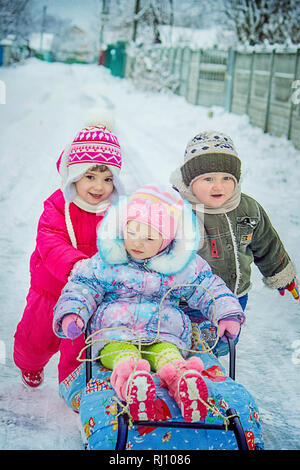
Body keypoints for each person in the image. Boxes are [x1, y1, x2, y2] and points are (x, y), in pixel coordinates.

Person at [53, 185, 245, 423]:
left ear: (166, 241)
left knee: (169, 356)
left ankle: (183, 383)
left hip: (164, 332)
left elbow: (207, 287)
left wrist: (226, 314)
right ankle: (134, 383)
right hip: (115, 333)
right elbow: (84, 285)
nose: (137, 243)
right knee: (123, 355)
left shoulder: (180, 266)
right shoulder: (108, 261)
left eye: (149, 237)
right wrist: (74, 312)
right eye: (132, 232)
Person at [13, 115, 125, 388]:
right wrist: (75, 264)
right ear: (74, 175)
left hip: (89, 296)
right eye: (90, 176)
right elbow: (49, 240)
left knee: (79, 348)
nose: (99, 187)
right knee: (35, 340)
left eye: (107, 178)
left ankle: (72, 387)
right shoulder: (58, 206)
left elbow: (127, 242)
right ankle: (29, 363)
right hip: (50, 289)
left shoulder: (117, 212)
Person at [170, 130, 299, 353]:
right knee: (189, 344)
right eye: (208, 179)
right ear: (190, 180)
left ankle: (213, 373)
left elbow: (266, 244)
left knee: (223, 343)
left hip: (235, 296)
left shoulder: (248, 208)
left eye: (226, 178)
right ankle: (188, 371)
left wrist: (281, 274)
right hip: (189, 299)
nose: (218, 187)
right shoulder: (177, 210)